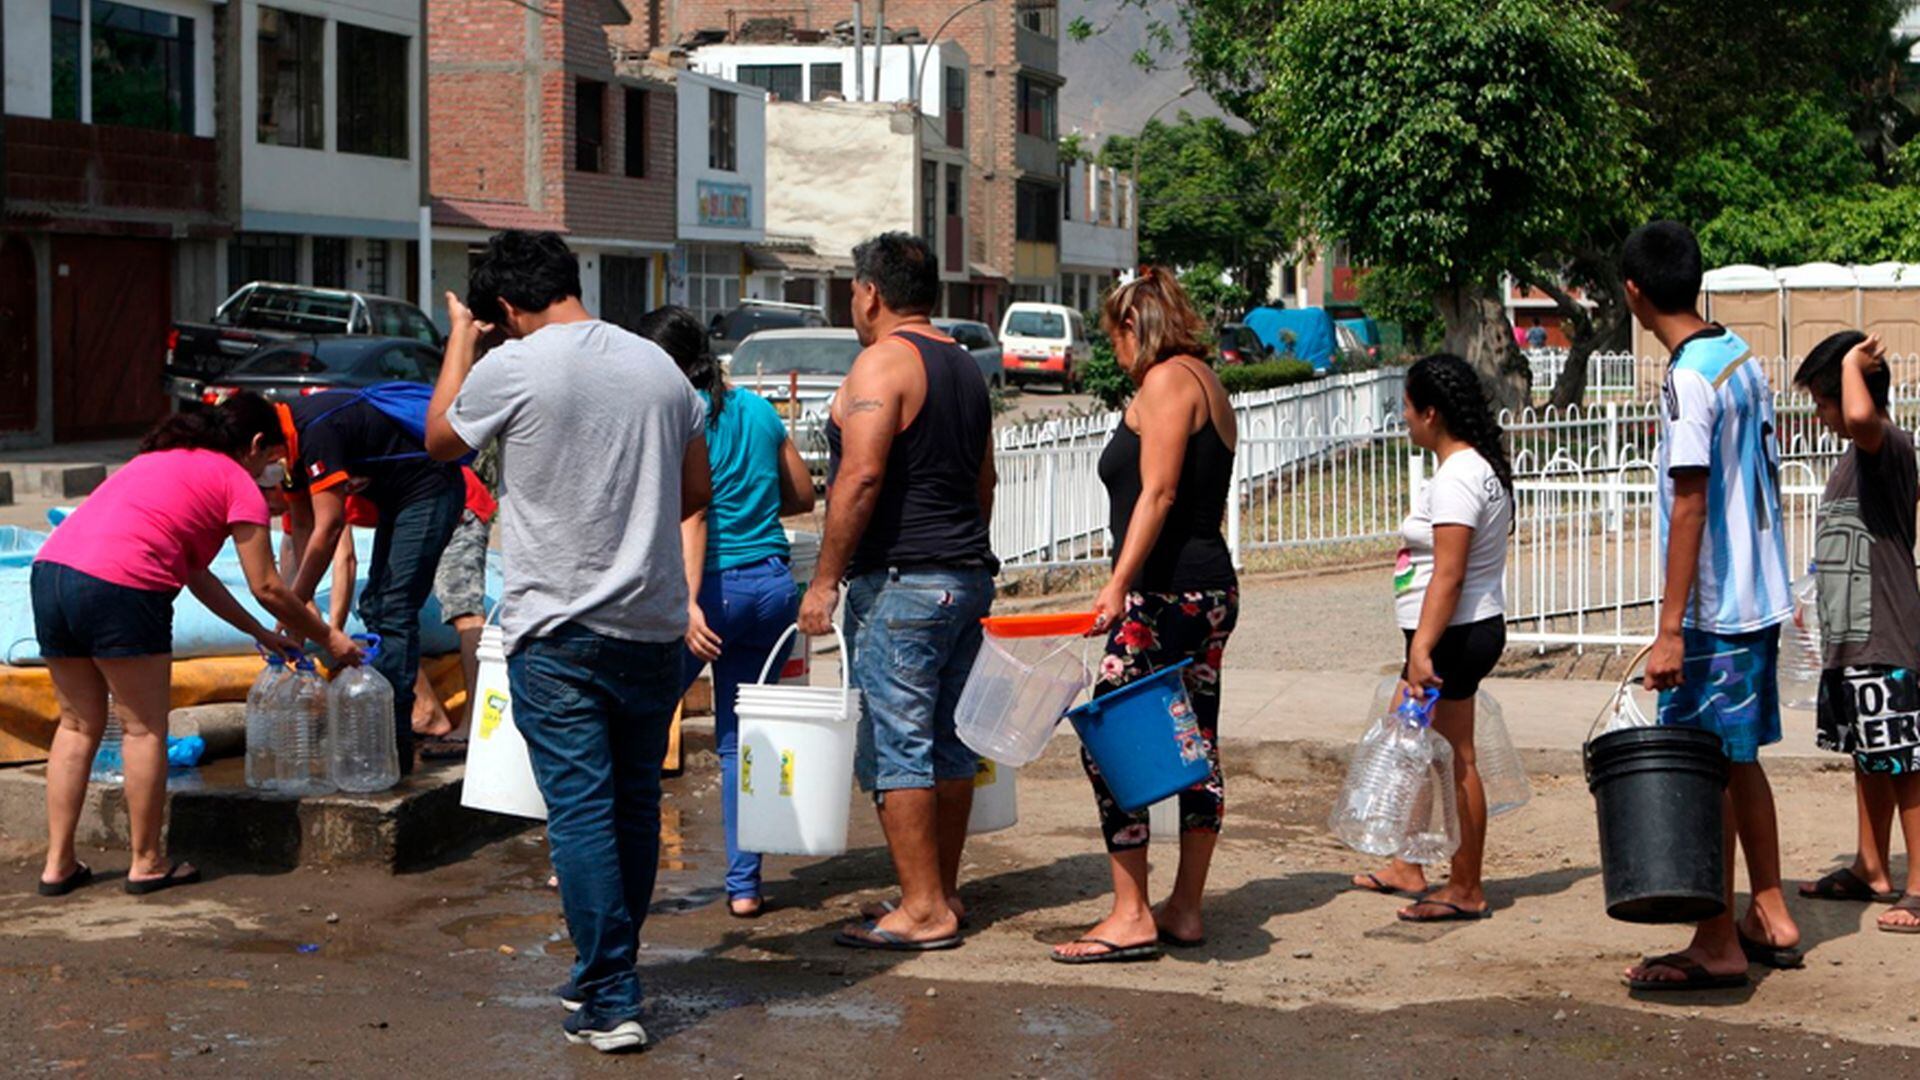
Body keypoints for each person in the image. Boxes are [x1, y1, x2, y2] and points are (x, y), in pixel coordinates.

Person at [425, 230, 709, 1054]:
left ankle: (611, 994)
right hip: (653, 628)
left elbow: (442, 438)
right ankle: (608, 978)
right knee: (633, 804)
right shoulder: (662, 369)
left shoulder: (515, 365)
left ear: (507, 307)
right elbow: (696, 489)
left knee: (581, 815)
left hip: (557, 630)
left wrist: (460, 341)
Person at [33, 394, 362, 897]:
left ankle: (57, 865)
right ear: (255, 444)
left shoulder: (156, 461)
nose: (276, 470)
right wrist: (331, 637)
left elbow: (195, 573)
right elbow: (269, 584)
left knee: (77, 725)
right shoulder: (237, 484)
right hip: (122, 584)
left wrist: (259, 632)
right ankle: (145, 862)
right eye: (274, 458)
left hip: (51, 573)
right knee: (143, 729)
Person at [796, 232, 997, 952]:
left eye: (853, 291)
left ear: (871, 293)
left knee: (897, 746)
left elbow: (860, 476)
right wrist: (966, 559)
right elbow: (985, 483)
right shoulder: (966, 368)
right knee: (947, 742)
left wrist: (823, 581)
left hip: (904, 586)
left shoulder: (883, 361)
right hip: (964, 579)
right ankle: (939, 892)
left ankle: (921, 909)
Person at [1621, 220, 1800, 992]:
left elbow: (1688, 501)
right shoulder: (1737, 357)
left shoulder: (1689, 377)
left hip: (1716, 613)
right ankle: (1770, 912)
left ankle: (1718, 940)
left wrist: (1669, 631)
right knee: (1739, 761)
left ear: (1634, 293)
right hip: (1759, 599)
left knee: (1698, 770)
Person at [1050, 268, 1239, 964]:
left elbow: (1157, 495)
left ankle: (1131, 913)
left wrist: (1118, 584)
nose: (1116, 354)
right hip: (1208, 589)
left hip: (1163, 596)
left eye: (1115, 338)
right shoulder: (1209, 383)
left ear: (1137, 326)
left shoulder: (1165, 384)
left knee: (1113, 740)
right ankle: (1184, 908)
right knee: (1194, 743)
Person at [639, 304, 816, 918]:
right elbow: (802, 494)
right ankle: (744, 887)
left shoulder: (673, 416)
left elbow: (693, 513)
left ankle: (597, 862)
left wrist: (684, 604)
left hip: (706, 593)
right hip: (771, 590)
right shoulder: (760, 411)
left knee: (635, 726)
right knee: (742, 743)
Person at [1350, 353, 1513, 922]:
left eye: (1408, 407)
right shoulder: (1467, 469)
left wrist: (1422, 649)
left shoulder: (1461, 476)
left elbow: (1450, 572)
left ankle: (1466, 885)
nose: (1403, 417)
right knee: (1410, 743)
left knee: (1456, 758)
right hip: (1449, 632)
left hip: (1452, 636)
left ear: (1432, 413)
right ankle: (1408, 864)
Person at [1791, 331, 1920, 933]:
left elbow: (1863, 412)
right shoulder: (1851, 460)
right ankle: (1872, 865)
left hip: (1886, 632)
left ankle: (1919, 884)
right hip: (1851, 638)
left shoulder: (1887, 443)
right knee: (1869, 758)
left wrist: (1850, 363)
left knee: (1903, 760)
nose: (1820, 415)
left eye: (1823, 401)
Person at [278, 381, 463, 777]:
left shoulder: (315, 431)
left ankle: (393, 742)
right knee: (376, 604)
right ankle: (386, 729)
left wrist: (300, 613)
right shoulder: (286, 453)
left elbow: (332, 536)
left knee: (393, 607)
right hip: (398, 496)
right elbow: (303, 529)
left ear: (257, 443)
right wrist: (296, 611)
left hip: (430, 487)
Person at [415, 464, 498, 756]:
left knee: (464, 610)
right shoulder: (293, 485)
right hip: (417, 507)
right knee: (385, 605)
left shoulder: (319, 455)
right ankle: (427, 713)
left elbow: (341, 552)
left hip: (457, 503)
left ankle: (475, 723)